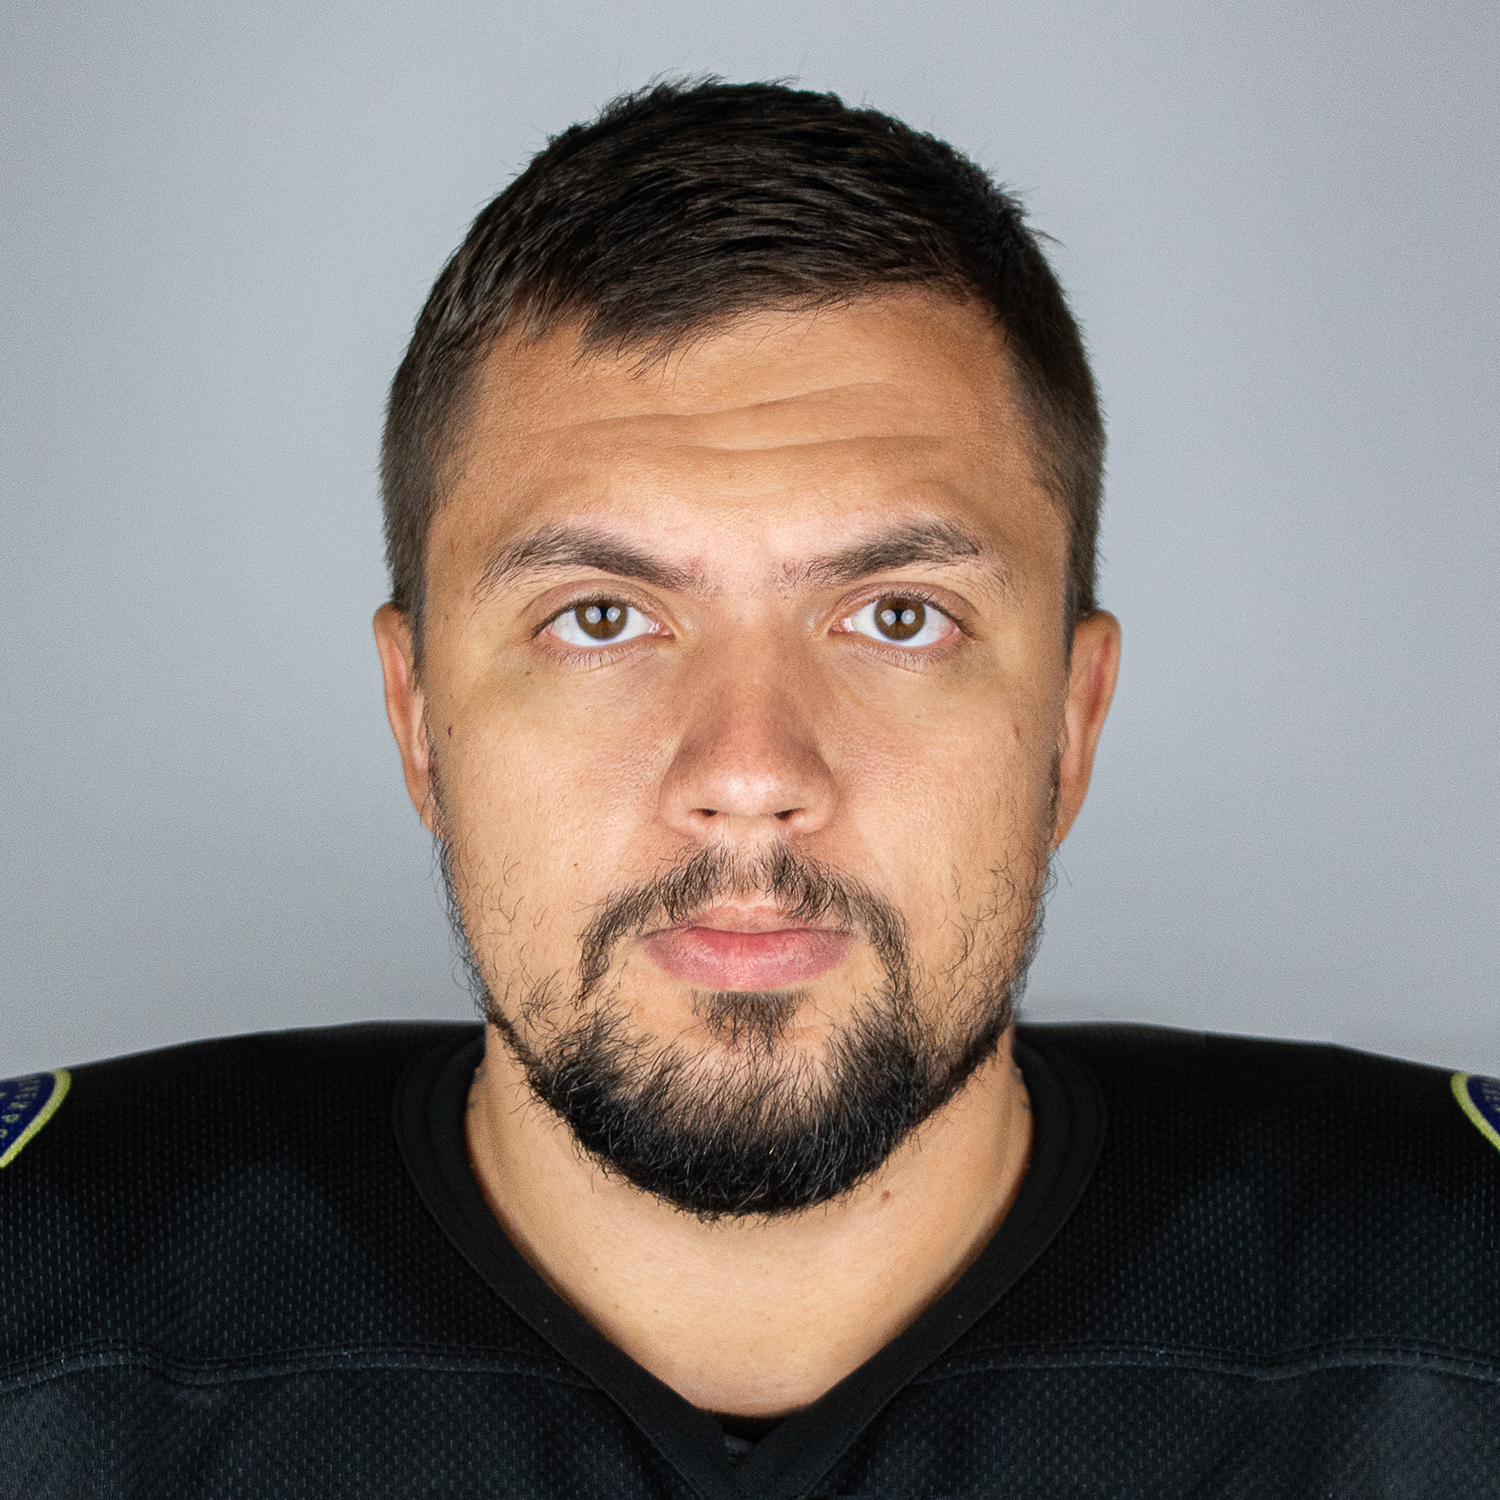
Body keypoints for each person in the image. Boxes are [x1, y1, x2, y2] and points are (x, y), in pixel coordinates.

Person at [2, 79, 1496, 1500]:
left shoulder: (1457, 1305)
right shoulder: (42, 1307)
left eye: (897, 616)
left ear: (1070, 721)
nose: (749, 773)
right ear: (417, 720)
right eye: (601, 617)